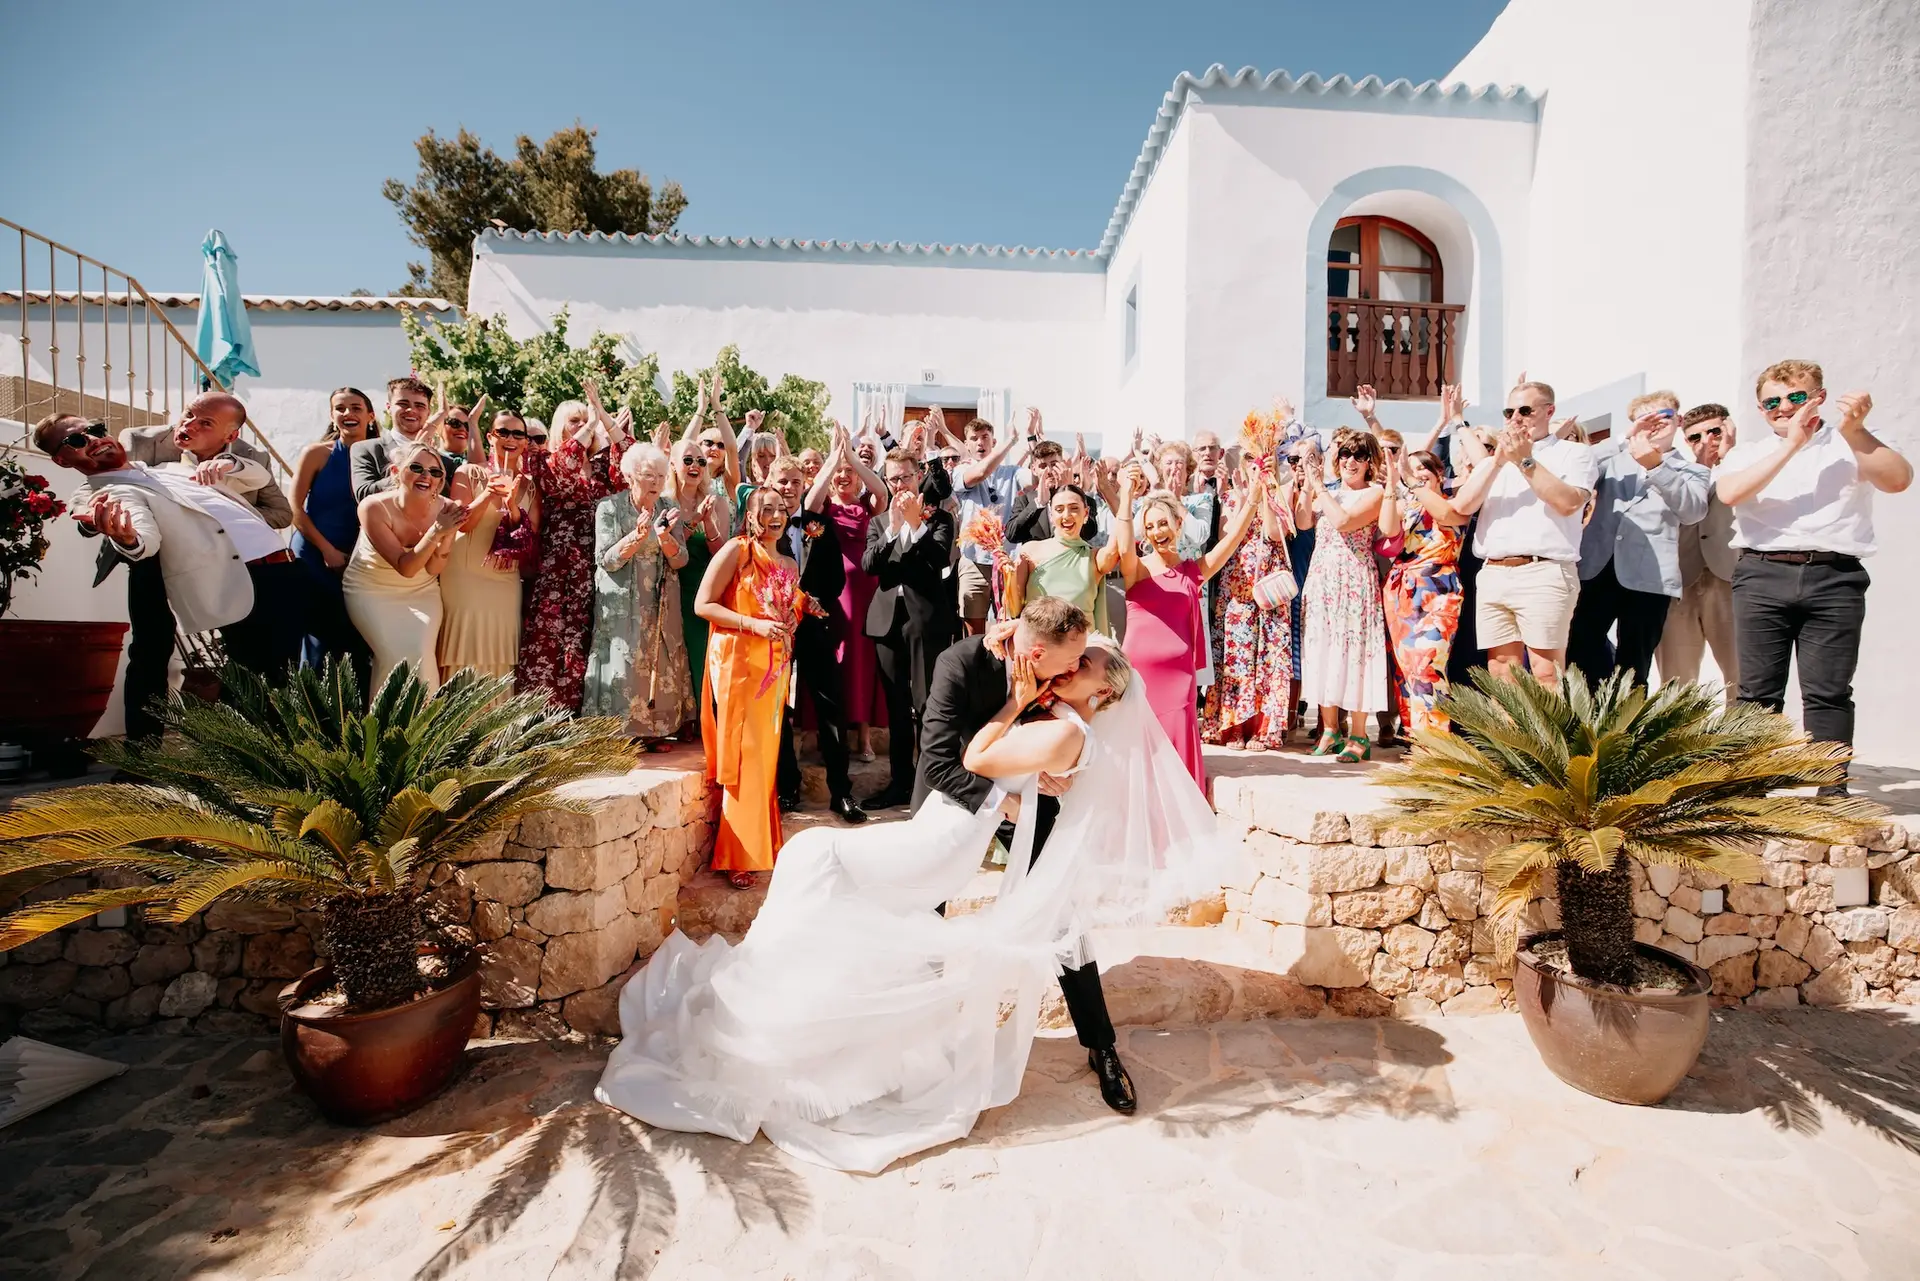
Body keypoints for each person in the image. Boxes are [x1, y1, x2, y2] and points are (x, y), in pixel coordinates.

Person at [597, 608, 1237, 1172]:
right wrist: (1011, 791)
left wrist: (1038, 769)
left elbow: (1047, 731)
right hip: (964, 810)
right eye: (1066, 663)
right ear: (1037, 652)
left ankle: (1102, 1049)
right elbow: (939, 760)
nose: (1067, 672)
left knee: (1066, 929)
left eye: (1082, 664)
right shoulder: (966, 663)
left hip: (1032, 821)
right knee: (908, 926)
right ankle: (892, 1042)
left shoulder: (1065, 693)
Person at [1714, 360, 1911, 792]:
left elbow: (1898, 480)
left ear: (1818, 397)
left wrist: (1856, 431)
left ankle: (1831, 789)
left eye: (1795, 397)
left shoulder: (1851, 443)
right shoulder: (1747, 452)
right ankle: (1750, 789)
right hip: (1761, 574)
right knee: (1757, 692)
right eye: (1771, 402)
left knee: (1828, 691)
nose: (1783, 407)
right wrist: (1791, 446)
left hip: (1835, 576)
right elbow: (1730, 493)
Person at [39, 412, 306, 700]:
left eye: (96, 428)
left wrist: (229, 463)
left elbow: (261, 478)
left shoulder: (170, 467)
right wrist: (127, 539)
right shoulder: (115, 490)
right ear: (63, 460)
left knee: (294, 674)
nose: (94, 439)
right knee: (256, 683)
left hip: (283, 572)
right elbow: (143, 539)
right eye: (77, 440)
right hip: (239, 579)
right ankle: (146, 743)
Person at [103, 393, 294, 740]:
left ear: (230, 436)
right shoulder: (142, 440)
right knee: (148, 651)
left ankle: (247, 752)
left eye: (205, 422)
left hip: (223, 567)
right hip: (151, 560)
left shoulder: (251, 457)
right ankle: (141, 755)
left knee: (247, 658)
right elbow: (112, 489)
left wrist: (215, 523)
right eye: (189, 414)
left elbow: (282, 514)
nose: (188, 425)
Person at [1115, 464, 1268, 788]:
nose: (1157, 531)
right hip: (1140, 676)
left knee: (1179, 752)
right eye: (1150, 526)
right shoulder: (1137, 569)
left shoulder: (1192, 571)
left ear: (1179, 523)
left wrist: (1253, 498)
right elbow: (1124, 545)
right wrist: (1126, 498)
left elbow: (1232, 540)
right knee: (1140, 749)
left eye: (1163, 523)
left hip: (1180, 676)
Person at [1450, 379, 1599, 686]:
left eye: (1525, 410)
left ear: (1549, 411)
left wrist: (1524, 460)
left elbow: (1568, 502)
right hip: (1494, 572)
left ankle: (1547, 736)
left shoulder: (1573, 454)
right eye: (1508, 412)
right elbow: (1463, 506)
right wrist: (1497, 461)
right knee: (1502, 670)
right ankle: (1508, 735)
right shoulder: (1495, 461)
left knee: (1546, 671)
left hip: (1543, 571)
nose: (1515, 418)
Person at [697, 486, 810, 887]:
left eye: (782, 508)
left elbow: (786, 610)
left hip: (774, 671)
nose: (775, 515)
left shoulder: (788, 563)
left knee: (764, 758)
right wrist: (754, 624)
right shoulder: (737, 551)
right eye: (767, 509)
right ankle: (736, 853)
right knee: (745, 758)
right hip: (738, 666)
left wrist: (790, 622)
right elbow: (703, 604)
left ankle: (762, 843)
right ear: (751, 514)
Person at [1566, 391, 1711, 688]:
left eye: (1664, 416)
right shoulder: (1612, 461)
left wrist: (1657, 466)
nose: (1655, 424)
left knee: (1634, 665)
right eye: (1646, 419)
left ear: (1679, 420)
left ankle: (1624, 730)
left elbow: (1693, 511)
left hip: (1649, 577)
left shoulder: (1692, 470)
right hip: (1597, 568)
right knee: (1579, 653)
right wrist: (1624, 439)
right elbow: (1574, 465)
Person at [515, 383, 634, 712]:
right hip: (559, 568)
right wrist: (594, 424)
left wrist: (608, 422)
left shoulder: (600, 467)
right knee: (552, 642)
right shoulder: (544, 461)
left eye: (586, 419)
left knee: (588, 642)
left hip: (595, 568)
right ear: (559, 427)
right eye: (574, 420)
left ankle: (584, 718)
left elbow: (629, 469)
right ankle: (542, 718)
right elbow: (561, 477)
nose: (583, 425)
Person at [771, 431, 869, 824]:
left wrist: (815, 605)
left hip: (812, 624)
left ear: (805, 485)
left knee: (831, 705)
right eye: (783, 482)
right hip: (773, 629)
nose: (790, 488)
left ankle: (841, 792)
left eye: (797, 481)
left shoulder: (819, 524)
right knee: (777, 707)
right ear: (771, 486)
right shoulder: (759, 528)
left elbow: (834, 578)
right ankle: (786, 785)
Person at [861, 450, 958, 809]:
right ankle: (899, 784)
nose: (899, 484)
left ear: (918, 477)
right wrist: (895, 527)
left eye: (905, 477)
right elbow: (870, 564)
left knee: (928, 704)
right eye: (893, 479)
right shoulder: (878, 523)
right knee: (896, 707)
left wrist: (916, 525)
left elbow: (937, 559)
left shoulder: (940, 519)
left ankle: (929, 788)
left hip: (925, 622)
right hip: (887, 622)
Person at [582, 444, 692, 745]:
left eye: (660, 475)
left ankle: (654, 732)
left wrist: (664, 537)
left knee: (657, 660)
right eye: (648, 475)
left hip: (659, 598)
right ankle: (616, 734)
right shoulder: (609, 507)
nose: (656, 481)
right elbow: (607, 559)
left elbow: (680, 560)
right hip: (621, 602)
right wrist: (637, 536)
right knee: (624, 662)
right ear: (630, 476)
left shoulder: (668, 508)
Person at [343, 440, 464, 691]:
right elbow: (405, 567)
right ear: (397, 472)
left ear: (441, 481)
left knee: (421, 652)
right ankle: (382, 727)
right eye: (416, 468)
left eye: (435, 472)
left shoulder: (446, 508)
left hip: (422, 591)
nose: (426, 476)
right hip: (371, 590)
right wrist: (437, 530)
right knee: (392, 656)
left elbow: (432, 569)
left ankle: (427, 727)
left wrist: (447, 534)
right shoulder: (373, 507)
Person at [1299, 428, 1389, 761]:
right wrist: (1309, 484)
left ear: (1370, 462)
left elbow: (1345, 522)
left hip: (1354, 581)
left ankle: (1359, 735)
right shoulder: (1329, 491)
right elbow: (1304, 522)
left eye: (1359, 455)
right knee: (1323, 651)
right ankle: (1330, 730)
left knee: (1355, 654)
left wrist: (1320, 486)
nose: (1351, 461)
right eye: (1345, 455)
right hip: (1322, 579)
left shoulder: (1375, 493)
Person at [1203, 454, 1298, 751]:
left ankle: (1264, 728)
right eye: (1249, 459)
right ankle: (1234, 725)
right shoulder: (1231, 497)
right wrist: (1247, 497)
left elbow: (1273, 534)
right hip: (1238, 587)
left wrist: (1268, 493)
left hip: (1270, 589)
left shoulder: (1281, 493)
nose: (1254, 465)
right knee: (1237, 656)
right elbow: (1228, 536)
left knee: (1269, 657)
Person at [435, 412, 534, 683]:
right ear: (491, 437)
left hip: (505, 579)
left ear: (525, 443)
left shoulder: (530, 486)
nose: (511, 439)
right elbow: (462, 524)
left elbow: (530, 537)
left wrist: (513, 506)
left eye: (518, 434)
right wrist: (489, 493)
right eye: (503, 432)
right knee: (464, 651)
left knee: (500, 652)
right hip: (465, 575)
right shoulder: (469, 472)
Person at [290, 388, 377, 683]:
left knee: (357, 637)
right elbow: (294, 509)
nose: (348, 414)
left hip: (361, 558)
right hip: (315, 555)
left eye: (356, 408)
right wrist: (326, 550)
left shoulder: (382, 457)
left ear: (370, 415)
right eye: (340, 408)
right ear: (332, 415)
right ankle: (311, 716)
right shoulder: (317, 454)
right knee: (317, 639)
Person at [1380, 448, 1467, 735]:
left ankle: (1437, 747)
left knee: (1428, 666)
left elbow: (1446, 516)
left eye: (1422, 471)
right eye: (1411, 471)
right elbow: (1388, 530)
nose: (1416, 477)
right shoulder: (1410, 507)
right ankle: (1416, 742)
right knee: (1406, 672)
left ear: (1439, 475)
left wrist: (1409, 479)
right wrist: (1392, 485)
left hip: (1438, 592)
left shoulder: (1452, 504)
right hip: (1401, 593)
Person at [1656, 404, 1740, 699]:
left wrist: (1728, 459)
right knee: (1676, 679)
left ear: (1729, 429)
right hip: (1681, 581)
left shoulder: (1748, 464)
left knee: (1741, 675)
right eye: (1695, 437)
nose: (1706, 440)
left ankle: (1744, 744)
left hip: (1730, 578)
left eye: (1714, 431)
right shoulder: (1678, 473)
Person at [820, 434, 889, 765]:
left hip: (866, 591)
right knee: (840, 658)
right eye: (839, 471)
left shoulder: (866, 506)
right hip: (836, 592)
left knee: (863, 658)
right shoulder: (825, 505)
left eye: (850, 471)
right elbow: (808, 504)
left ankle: (863, 734)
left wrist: (852, 457)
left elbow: (881, 492)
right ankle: (836, 732)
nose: (844, 476)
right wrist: (834, 459)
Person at [1003, 485, 1117, 632]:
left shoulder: (1095, 557)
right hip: (1040, 646)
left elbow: (1122, 538)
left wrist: (1119, 493)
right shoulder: (1029, 551)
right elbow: (1014, 609)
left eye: (1074, 508)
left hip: (1082, 648)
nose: (1066, 515)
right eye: (1059, 509)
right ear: (1051, 515)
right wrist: (1009, 575)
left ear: (1086, 513)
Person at [952, 412, 1028, 634]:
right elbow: (981, 473)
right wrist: (1011, 441)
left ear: (993, 441)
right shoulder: (960, 470)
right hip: (974, 561)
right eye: (974, 438)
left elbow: (1034, 480)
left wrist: (1034, 438)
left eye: (985, 437)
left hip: (1007, 561)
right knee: (974, 631)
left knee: (1009, 627)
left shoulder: (1012, 472)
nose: (980, 442)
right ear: (966, 444)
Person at [349, 376, 473, 501]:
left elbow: (449, 502)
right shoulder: (366, 449)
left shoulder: (446, 463)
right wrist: (412, 457)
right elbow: (364, 494)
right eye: (403, 404)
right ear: (389, 407)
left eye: (420, 406)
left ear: (428, 412)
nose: (411, 410)